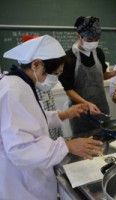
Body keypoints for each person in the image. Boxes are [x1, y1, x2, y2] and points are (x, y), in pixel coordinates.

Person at [0, 35, 103, 200]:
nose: (54, 79)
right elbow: (21, 150)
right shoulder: (13, 90)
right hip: (21, 182)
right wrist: (67, 146)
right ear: (36, 64)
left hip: (29, 175)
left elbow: (30, 120)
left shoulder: (21, 84)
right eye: (55, 73)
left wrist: (62, 115)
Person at [59, 16, 116, 136]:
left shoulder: (99, 53)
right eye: (90, 39)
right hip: (80, 112)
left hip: (101, 108)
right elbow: (69, 90)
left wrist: (114, 73)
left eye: (97, 39)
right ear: (79, 37)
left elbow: (101, 75)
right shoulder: (68, 58)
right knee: (85, 146)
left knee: (105, 141)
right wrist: (87, 104)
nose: (93, 42)